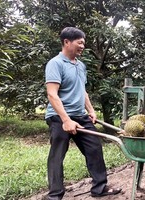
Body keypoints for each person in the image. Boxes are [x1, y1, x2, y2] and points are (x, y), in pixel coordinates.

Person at [44, 27, 121, 199]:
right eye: (79, 42)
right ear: (66, 42)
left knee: (94, 148)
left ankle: (99, 188)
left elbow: (82, 90)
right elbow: (52, 94)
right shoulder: (55, 63)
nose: (82, 46)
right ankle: (55, 195)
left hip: (81, 116)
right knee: (57, 156)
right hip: (59, 117)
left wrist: (91, 110)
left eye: (83, 43)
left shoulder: (81, 65)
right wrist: (65, 120)